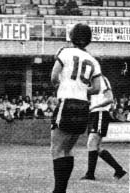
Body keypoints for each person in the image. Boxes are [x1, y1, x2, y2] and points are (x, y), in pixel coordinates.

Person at [50, 23, 102, 193]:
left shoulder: (64, 52)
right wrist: (81, 88)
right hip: (83, 105)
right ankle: (61, 190)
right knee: (69, 149)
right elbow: (96, 88)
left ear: (72, 36)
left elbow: (53, 76)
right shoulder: (93, 60)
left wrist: (62, 86)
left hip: (67, 103)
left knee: (56, 149)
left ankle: (59, 190)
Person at [80, 75, 127, 181]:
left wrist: (94, 106)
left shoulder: (101, 79)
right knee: (96, 146)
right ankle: (118, 170)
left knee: (92, 143)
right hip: (94, 114)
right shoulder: (92, 81)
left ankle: (90, 174)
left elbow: (109, 98)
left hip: (100, 112)